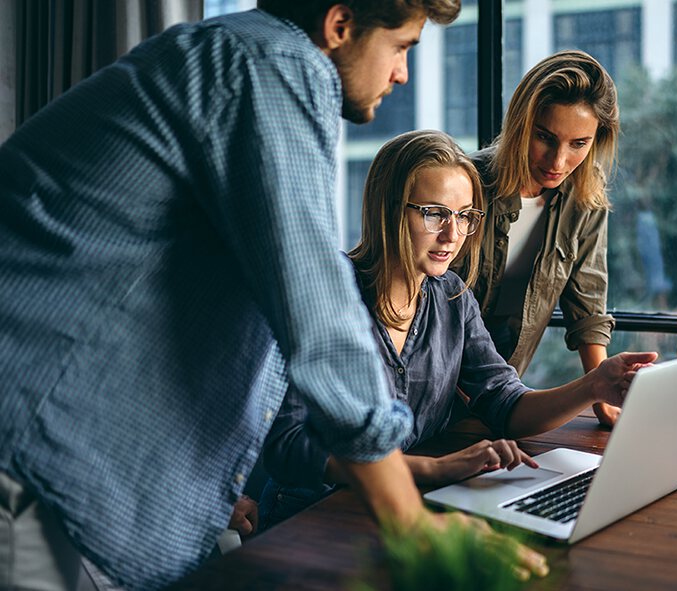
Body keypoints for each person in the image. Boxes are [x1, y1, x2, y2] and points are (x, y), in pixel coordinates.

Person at [0, 3, 552, 590]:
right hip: (31, 454)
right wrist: (410, 521)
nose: (402, 74)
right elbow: (316, 310)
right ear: (339, 26)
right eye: (402, 46)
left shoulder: (235, 60)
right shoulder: (270, 65)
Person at [259, 130, 657, 529]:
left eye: (465, 215)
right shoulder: (327, 292)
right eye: (434, 213)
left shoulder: (451, 296)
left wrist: (592, 386)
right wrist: (433, 470)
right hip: (310, 517)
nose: (453, 235)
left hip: (405, 511)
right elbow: (288, 446)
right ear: (389, 209)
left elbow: (506, 403)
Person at [451, 50, 625, 427]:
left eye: (579, 144)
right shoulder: (466, 184)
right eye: (545, 137)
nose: (558, 161)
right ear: (521, 125)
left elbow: (588, 306)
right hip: (434, 395)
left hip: (502, 400)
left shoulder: (585, 200)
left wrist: (603, 397)